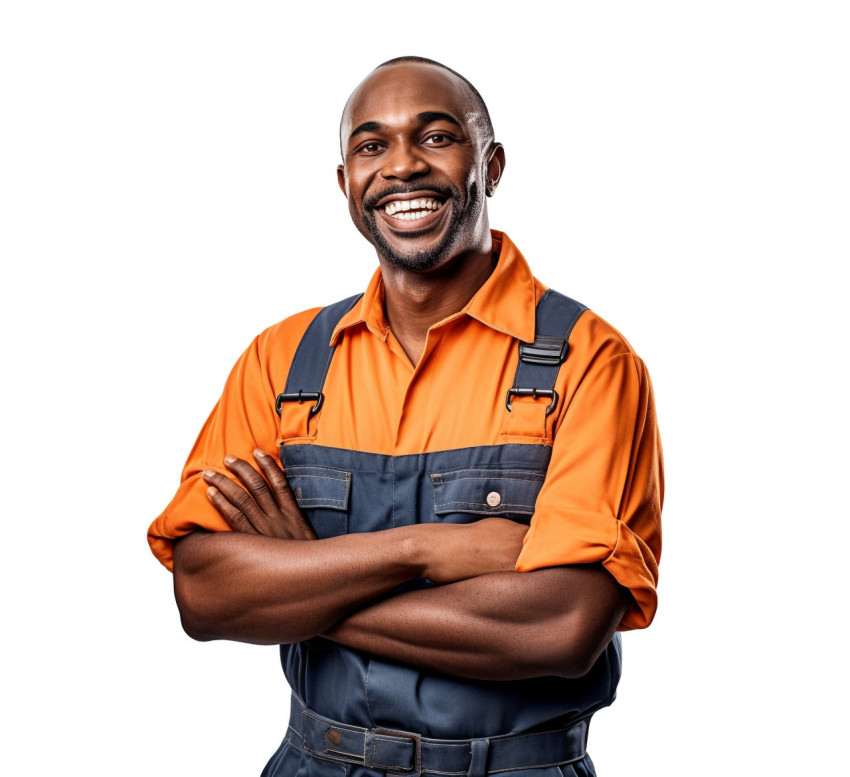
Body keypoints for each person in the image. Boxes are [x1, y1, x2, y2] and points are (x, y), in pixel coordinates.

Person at [148, 56, 663, 777]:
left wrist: (300, 587)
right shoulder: (285, 361)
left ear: (491, 164)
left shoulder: (591, 362)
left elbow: (562, 625)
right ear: (345, 184)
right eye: (371, 145)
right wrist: (419, 550)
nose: (401, 167)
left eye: (435, 137)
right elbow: (203, 593)